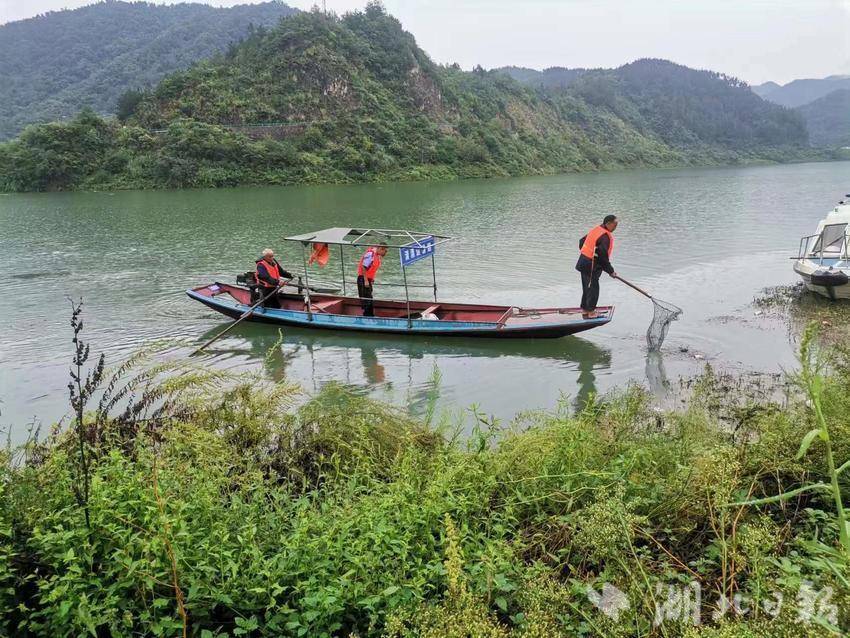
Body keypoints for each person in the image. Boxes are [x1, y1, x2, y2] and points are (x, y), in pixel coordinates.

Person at [576, 214, 618, 318]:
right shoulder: (604, 237)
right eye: (615, 224)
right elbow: (603, 257)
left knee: (587, 287)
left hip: (583, 262)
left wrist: (588, 254)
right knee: (593, 288)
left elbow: (581, 242)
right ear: (608, 223)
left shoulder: (597, 229)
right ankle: (591, 312)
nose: (616, 227)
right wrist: (611, 271)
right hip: (591, 266)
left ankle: (585, 310)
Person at [356, 242, 388, 317]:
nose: (385, 253)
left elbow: (372, 268)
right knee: (367, 298)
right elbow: (364, 266)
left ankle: (370, 315)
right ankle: (367, 316)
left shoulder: (377, 256)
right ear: (381, 249)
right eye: (385, 251)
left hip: (368, 279)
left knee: (369, 297)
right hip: (363, 279)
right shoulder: (371, 254)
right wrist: (366, 280)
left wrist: (371, 279)